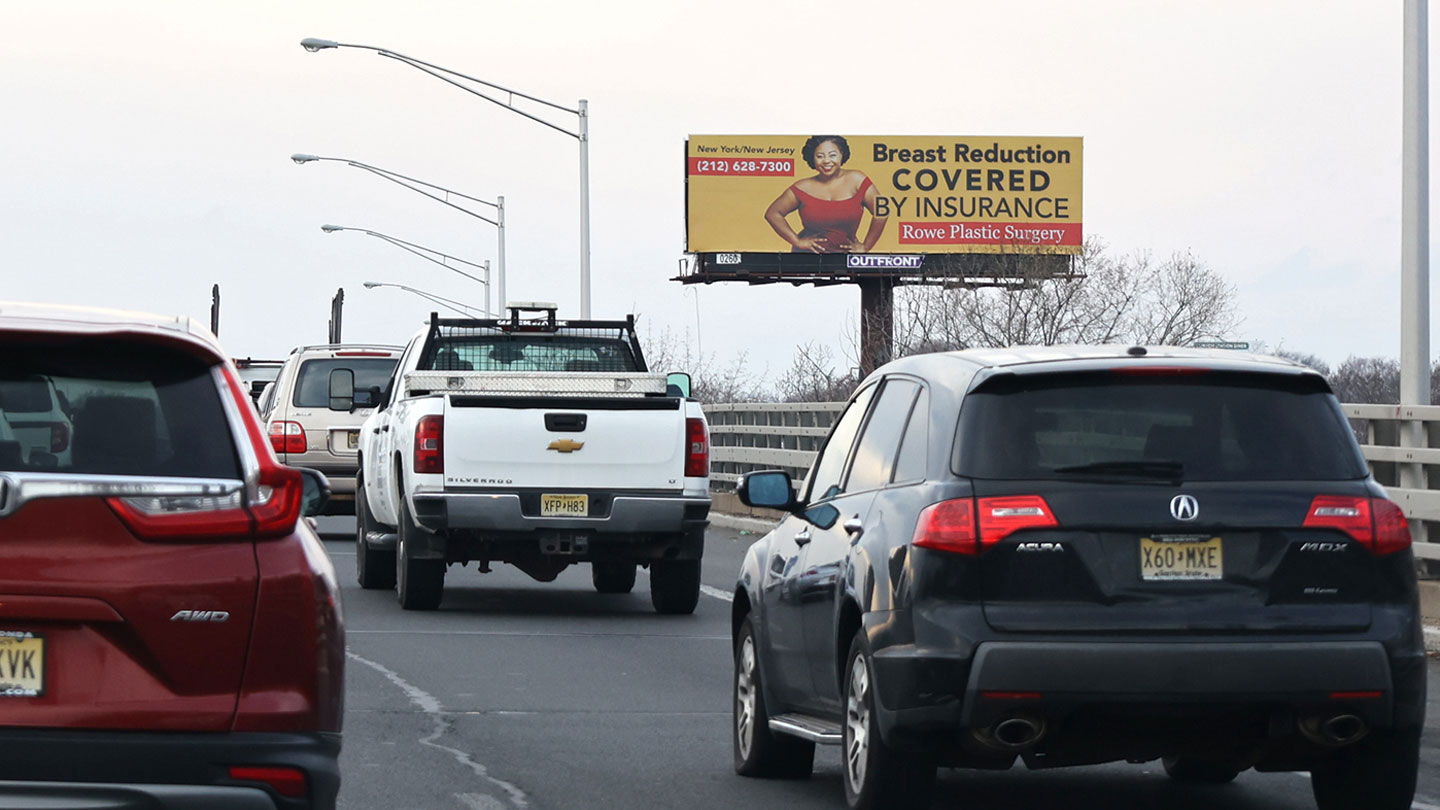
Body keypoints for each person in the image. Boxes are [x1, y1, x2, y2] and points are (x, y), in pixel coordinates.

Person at [764, 135, 888, 253]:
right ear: (812, 158)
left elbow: (882, 212)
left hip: (845, 257)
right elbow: (773, 213)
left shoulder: (857, 179)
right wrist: (797, 241)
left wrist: (866, 247)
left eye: (832, 155)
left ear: (842, 155)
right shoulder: (802, 187)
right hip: (806, 258)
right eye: (820, 156)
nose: (826, 161)